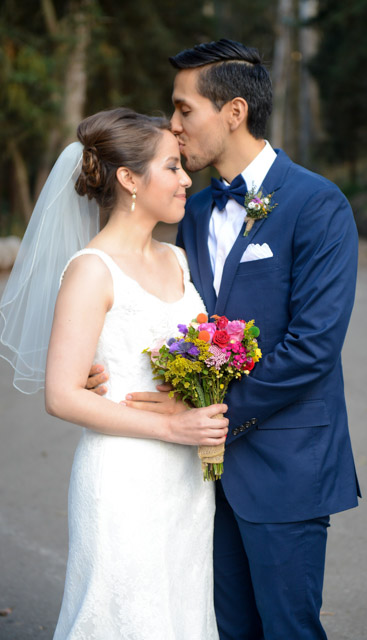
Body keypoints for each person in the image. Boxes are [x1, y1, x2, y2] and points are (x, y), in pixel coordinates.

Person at [86, 40, 361, 639]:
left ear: (233, 112)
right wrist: (100, 360)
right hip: (197, 477)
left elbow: (313, 347)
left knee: (288, 628)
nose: (173, 126)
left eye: (184, 111)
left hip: (285, 465)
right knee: (225, 629)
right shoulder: (191, 207)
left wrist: (212, 412)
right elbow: (154, 303)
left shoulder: (318, 205)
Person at [0, 107, 229, 639]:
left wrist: (196, 403)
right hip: (123, 479)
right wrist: (172, 427)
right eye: (171, 167)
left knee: (181, 615)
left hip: (186, 483)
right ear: (129, 178)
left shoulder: (177, 260)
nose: (185, 178)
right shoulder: (90, 270)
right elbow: (61, 395)